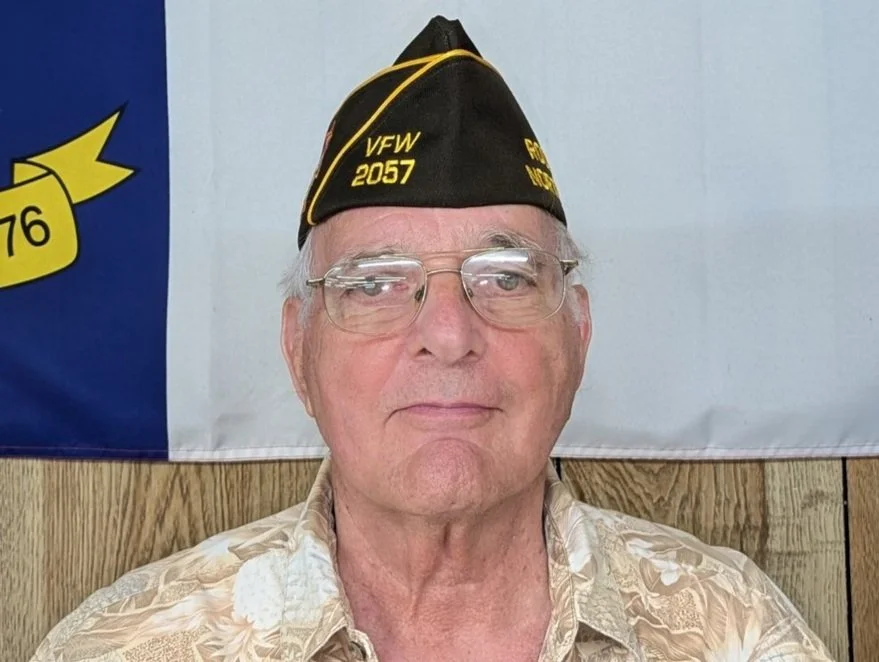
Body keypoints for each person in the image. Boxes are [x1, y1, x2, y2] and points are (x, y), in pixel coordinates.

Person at [32, 15, 834, 662]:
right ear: (297, 350)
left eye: (506, 277)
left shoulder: (730, 633)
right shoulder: (132, 647)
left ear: (578, 334)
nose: (448, 334)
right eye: (373, 284)